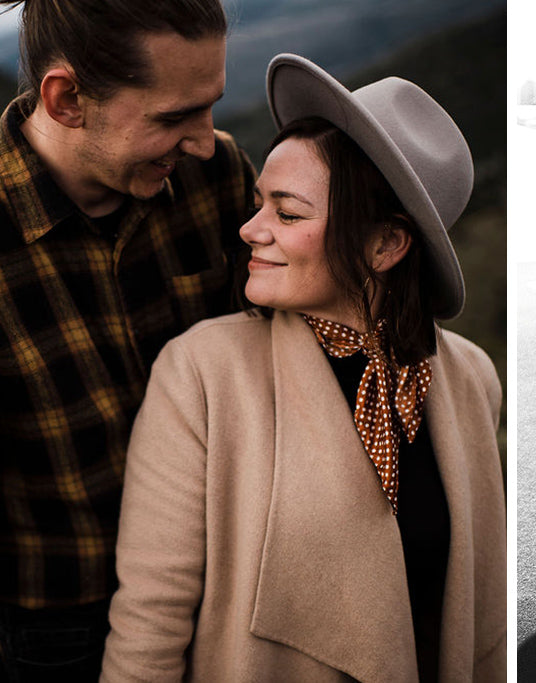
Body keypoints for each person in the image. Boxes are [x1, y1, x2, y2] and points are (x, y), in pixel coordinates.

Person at [100, 54, 506, 682]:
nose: (250, 229)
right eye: (260, 203)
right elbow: (150, 618)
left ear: (385, 246)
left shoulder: (469, 376)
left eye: (287, 214)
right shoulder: (202, 373)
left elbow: (480, 606)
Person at [0, 0, 253, 678]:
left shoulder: (221, 177)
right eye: (173, 117)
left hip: (227, 580)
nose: (204, 139)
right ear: (67, 98)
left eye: (210, 106)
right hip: (58, 629)